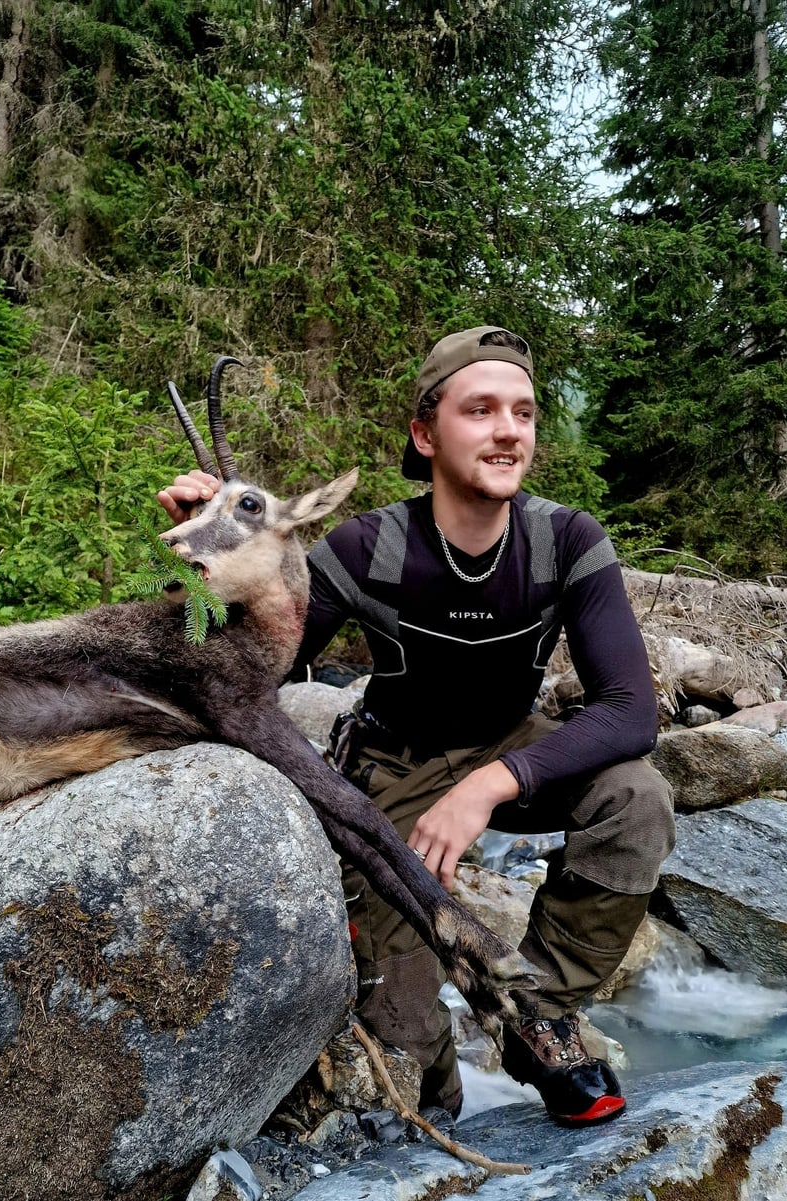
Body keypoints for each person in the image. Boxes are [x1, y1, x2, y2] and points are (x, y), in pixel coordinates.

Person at [158, 326, 675, 1126]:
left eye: (524, 412)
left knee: (637, 799)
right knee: (407, 1063)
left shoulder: (567, 540)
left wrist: (489, 784)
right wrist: (212, 557)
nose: (509, 429)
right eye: (481, 409)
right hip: (391, 762)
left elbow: (630, 710)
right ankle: (432, 1083)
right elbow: (244, 669)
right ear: (425, 433)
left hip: (513, 743)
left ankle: (536, 1012)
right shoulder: (366, 548)